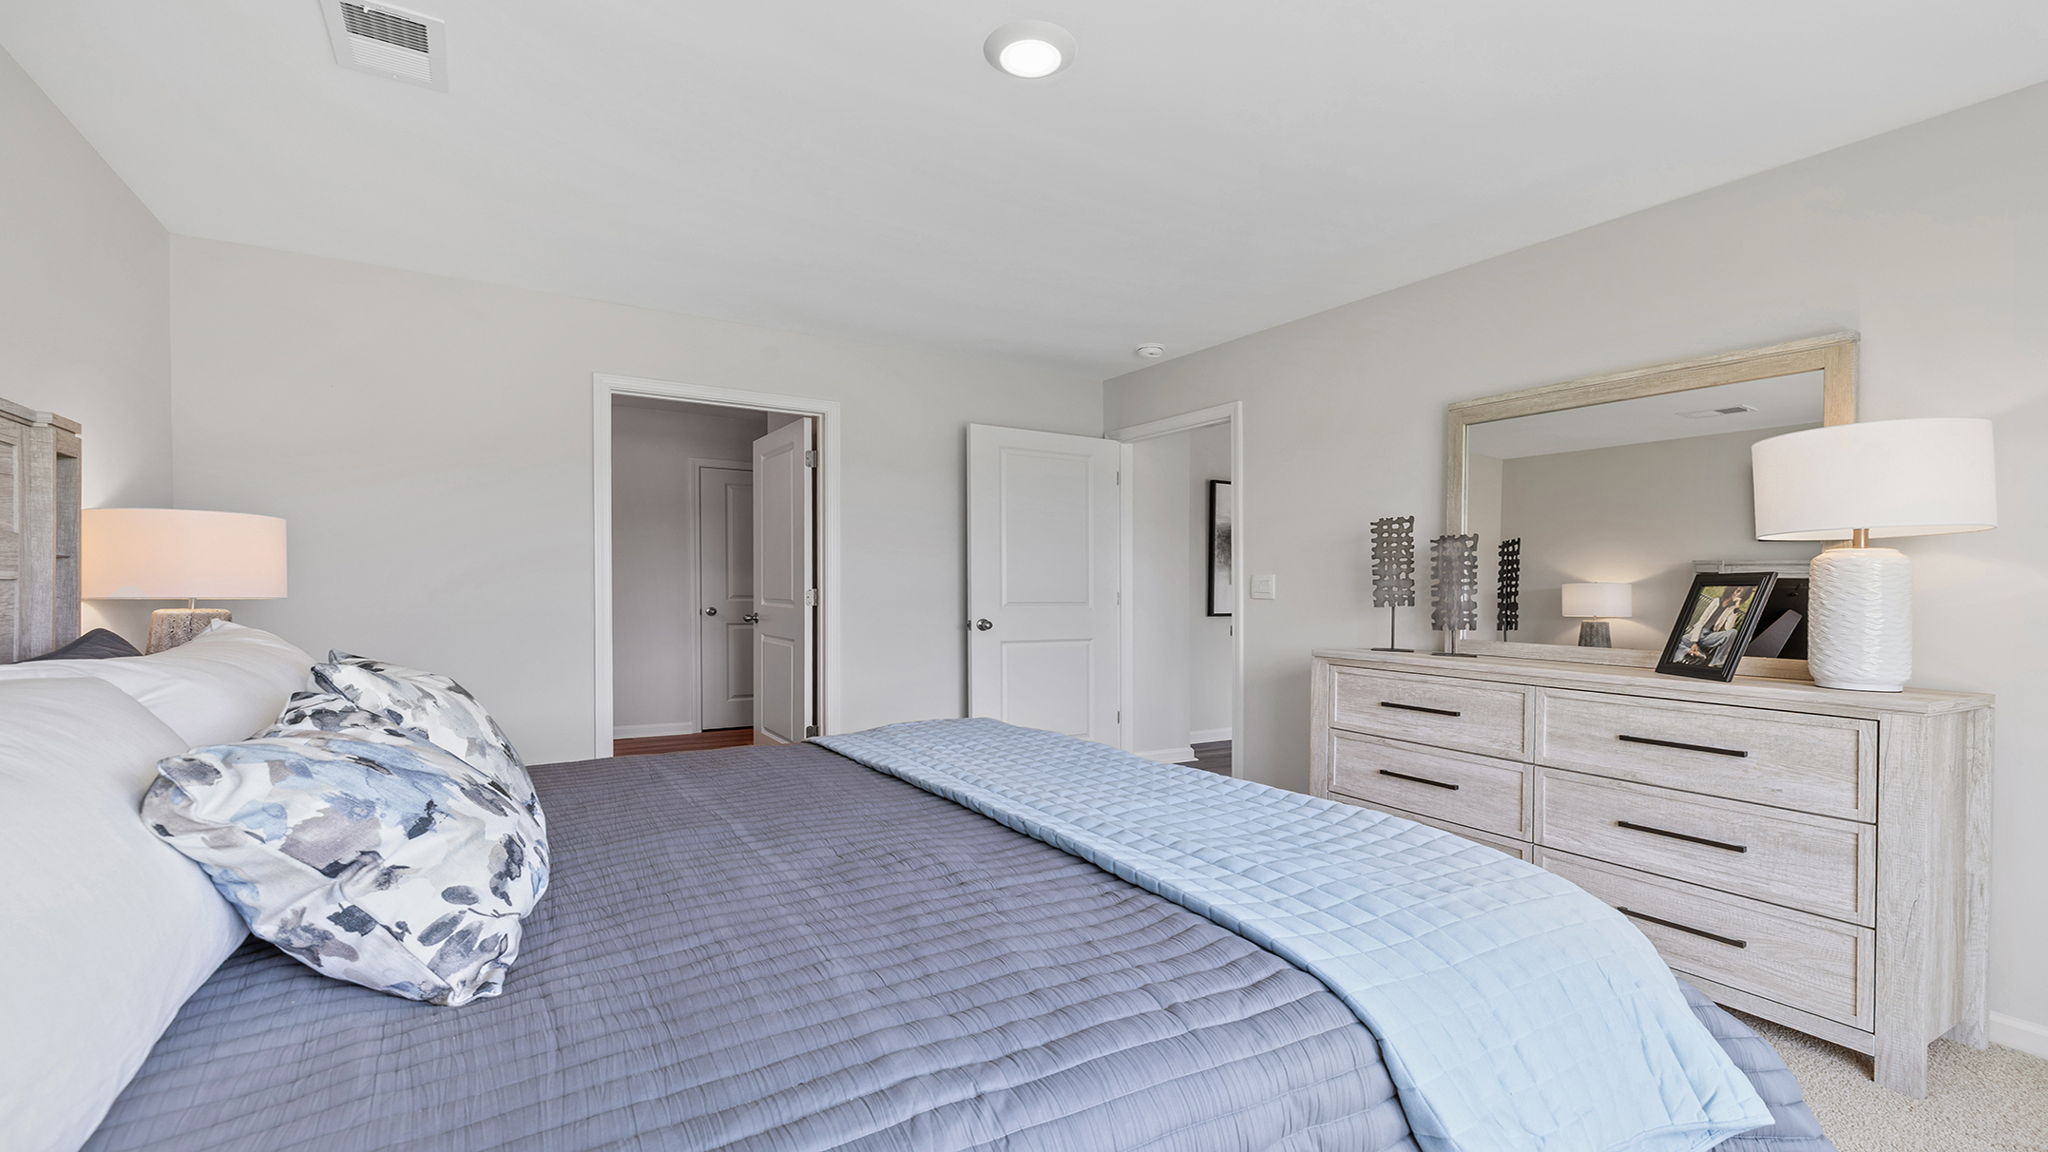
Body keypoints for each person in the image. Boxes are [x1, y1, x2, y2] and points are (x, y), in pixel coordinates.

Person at [1676, 587, 1752, 667]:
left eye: (1742, 594)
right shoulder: (1716, 601)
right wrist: (1694, 642)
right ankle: (1698, 654)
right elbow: (1701, 622)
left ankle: (1716, 663)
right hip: (1699, 633)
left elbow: (1728, 628)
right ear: (1732, 589)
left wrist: (1736, 608)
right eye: (1738, 591)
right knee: (1681, 639)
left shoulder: (1731, 609)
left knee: (1733, 632)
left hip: (1711, 636)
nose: (1738, 594)